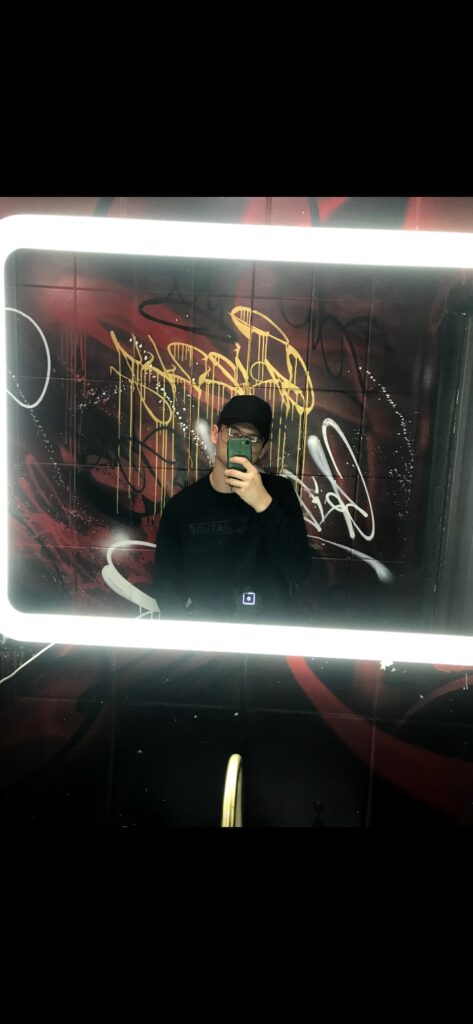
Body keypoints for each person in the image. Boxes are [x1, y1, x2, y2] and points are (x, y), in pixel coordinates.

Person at [152, 395, 312, 623]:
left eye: (252, 439)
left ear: (263, 449)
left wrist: (263, 504)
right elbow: (165, 584)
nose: (240, 443)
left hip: (268, 631)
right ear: (215, 434)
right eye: (234, 433)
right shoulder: (183, 507)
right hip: (208, 635)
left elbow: (299, 570)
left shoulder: (278, 493)